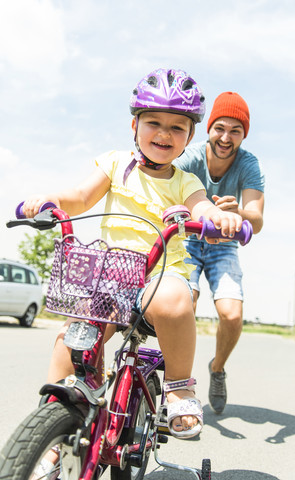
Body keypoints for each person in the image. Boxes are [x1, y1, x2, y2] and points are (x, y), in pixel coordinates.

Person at [23, 69, 243, 439]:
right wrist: (52, 201)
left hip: (159, 274)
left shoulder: (184, 181)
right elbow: (79, 196)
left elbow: (201, 206)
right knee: (73, 337)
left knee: (174, 301)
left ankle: (178, 386)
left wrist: (216, 217)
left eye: (177, 127)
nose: (163, 133)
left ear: (190, 136)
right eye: (153, 122)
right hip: (111, 274)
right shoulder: (114, 165)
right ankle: (52, 422)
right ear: (134, 126)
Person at [173, 91, 265, 414]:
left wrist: (238, 211)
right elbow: (161, 189)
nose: (226, 138)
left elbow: (257, 218)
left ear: (244, 135)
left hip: (224, 245)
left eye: (235, 131)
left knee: (232, 315)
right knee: (183, 305)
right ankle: (177, 385)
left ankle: (217, 368)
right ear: (209, 128)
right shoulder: (189, 157)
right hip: (186, 239)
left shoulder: (248, 164)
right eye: (220, 128)